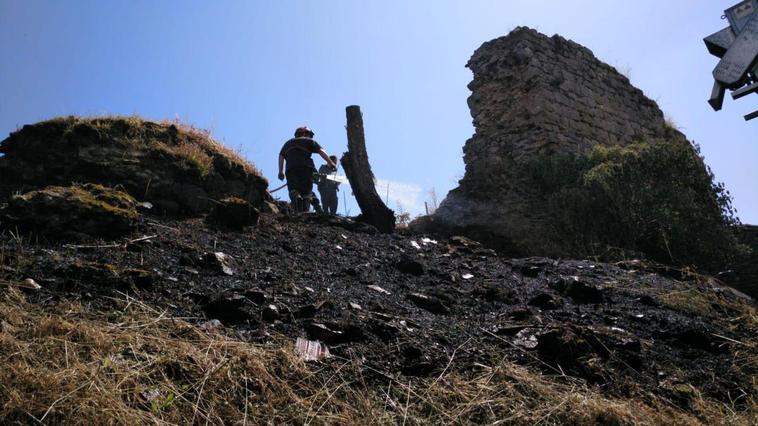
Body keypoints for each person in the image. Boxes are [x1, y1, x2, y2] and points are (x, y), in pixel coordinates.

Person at [278, 126, 336, 213]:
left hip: (290, 169)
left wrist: (280, 171)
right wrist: (331, 163)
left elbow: (281, 156)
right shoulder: (308, 141)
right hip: (306, 168)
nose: (311, 137)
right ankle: (306, 210)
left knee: (293, 189)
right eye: (310, 135)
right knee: (307, 191)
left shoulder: (287, 143)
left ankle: (296, 198)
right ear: (305, 133)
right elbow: (321, 151)